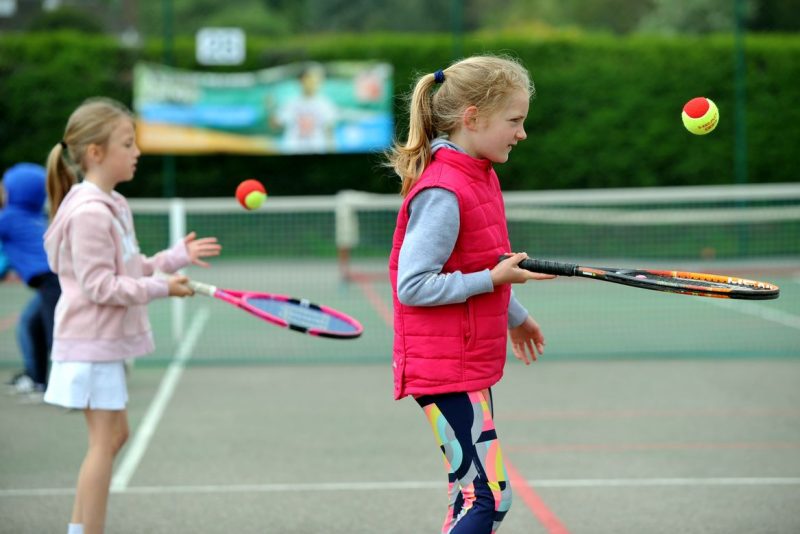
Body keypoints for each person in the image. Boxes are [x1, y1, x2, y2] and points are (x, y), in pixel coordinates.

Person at [386, 55, 556, 533]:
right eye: (515, 120)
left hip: (464, 364)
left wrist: (514, 313)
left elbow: (483, 259)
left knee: (470, 499)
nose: (521, 133)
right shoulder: (443, 189)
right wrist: (496, 282)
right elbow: (413, 285)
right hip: (444, 371)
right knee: (486, 500)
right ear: (473, 117)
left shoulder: (479, 173)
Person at [43, 97, 222, 534]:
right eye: (127, 143)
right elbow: (101, 287)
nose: (137, 151)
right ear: (95, 153)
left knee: (112, 438)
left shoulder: (113, 204)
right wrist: (163, 287)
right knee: (104, 444)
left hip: (103, 342)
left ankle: (78, 529)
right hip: (90, 342)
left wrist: (173, 259)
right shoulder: (88, 212)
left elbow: (129, 266)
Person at [0, 162, 62, 396]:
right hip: (54, 280)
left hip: (51, 281)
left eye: (5, 189)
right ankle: (37, 378)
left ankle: (62, 385)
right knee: (31, 324)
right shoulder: (35, 217)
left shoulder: (8, 218)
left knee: (54, 333)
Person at [270, 63, 338, 153]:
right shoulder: (291, 103)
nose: (313, 83)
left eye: (317, 80)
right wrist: (271, 108)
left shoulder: (325, 104)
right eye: (309, 79)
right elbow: (276, 125)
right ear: (301, 80)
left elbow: (329, 133)